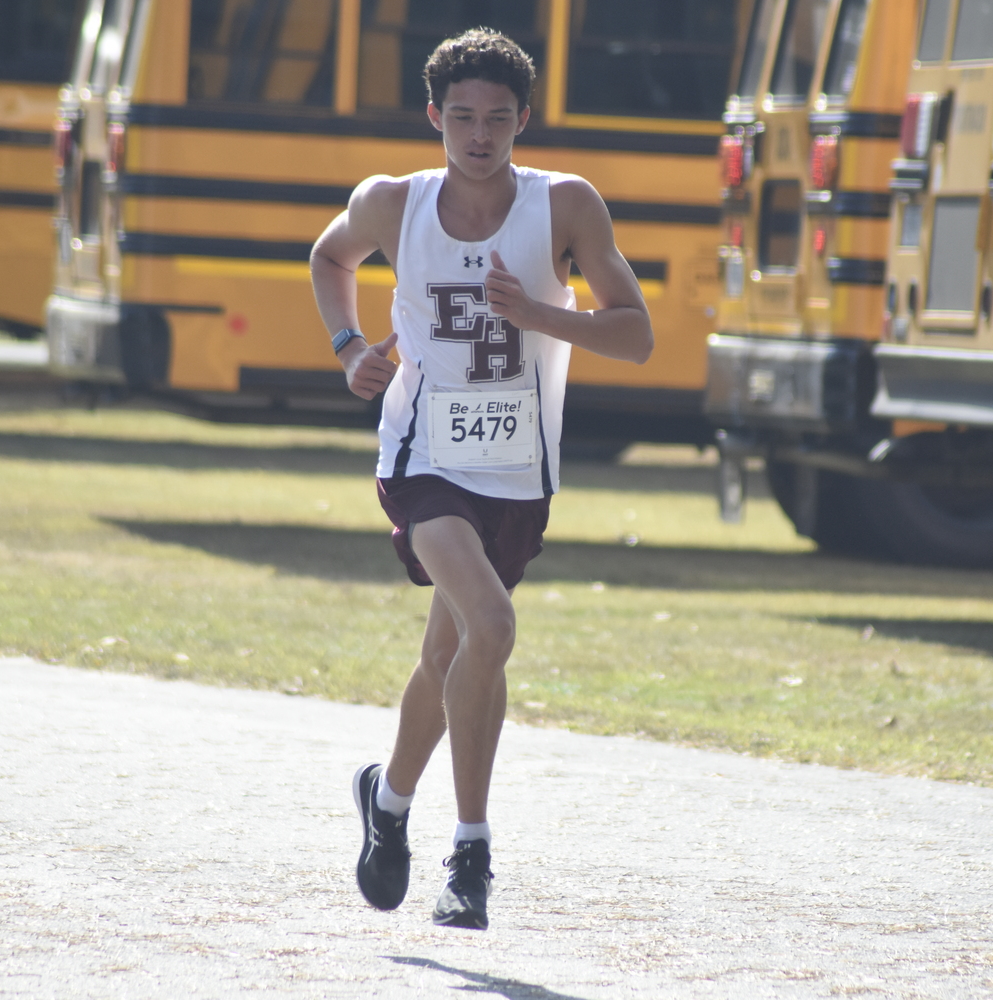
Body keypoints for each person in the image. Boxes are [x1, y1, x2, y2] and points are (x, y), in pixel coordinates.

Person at [309, 27, 653, 931]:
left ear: (523, 121)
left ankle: (385, 803)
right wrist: (350, 349)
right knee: (492, 624)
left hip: (517, 468)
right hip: (422, 459)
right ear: (434, 116)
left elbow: (637, 334)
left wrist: (540, 312)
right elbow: (328, 257)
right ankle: (472, 853)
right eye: (461, 116)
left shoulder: (566, 206)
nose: (479, 134)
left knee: (449, 654)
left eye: (498, 118)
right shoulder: (393, 203)